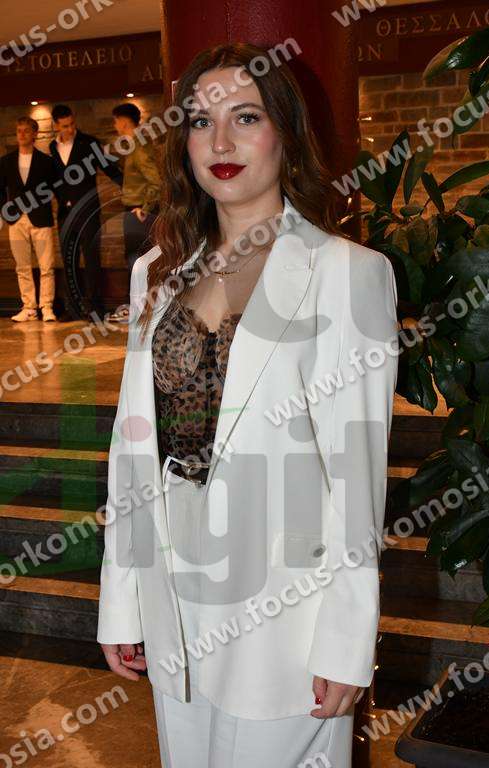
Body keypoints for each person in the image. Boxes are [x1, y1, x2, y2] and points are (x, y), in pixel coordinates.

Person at [97, 42, 399, 767]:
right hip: (174, 591)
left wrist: (346, 638)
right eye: (201, 121)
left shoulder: (347, 273)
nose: (221, 142)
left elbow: (357, 474)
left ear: (285, 132)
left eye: (247, 116)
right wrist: (122, 600)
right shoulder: (156, 273)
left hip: (285, 606)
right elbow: (131, 451)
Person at [49, 104, 123, 320]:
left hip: (88, 211)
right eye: (65, 126)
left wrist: (129, 186)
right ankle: (73, 309)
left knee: (92, 260)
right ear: (56, 126)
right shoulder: (52, 147)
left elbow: (108, 167)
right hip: (65, 214)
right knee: (69, 262)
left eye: (72, 124)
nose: (70, 129)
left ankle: (95, 309)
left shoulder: (89, 142)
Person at [107, 102, 161, 323]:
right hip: (135, 209)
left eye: (115, 121)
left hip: (138, 211)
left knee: (137, 260)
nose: (115, 126)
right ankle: (139, 309)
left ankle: (140, 310)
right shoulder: (135, 144)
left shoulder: (139, 145)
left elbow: (155, 181)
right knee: (136, 260)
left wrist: (145, 208)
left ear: (124, 121)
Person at [0, 116, 57, 322]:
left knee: (46, 266)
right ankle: (29, 308)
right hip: (16, 219)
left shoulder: (46, 162)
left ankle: (47, 307)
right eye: (19, 131)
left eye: (26, 130)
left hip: (40, 218)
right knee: (22, 266)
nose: (22, 134)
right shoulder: (6, 161)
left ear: (34, 134)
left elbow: (54, 187)